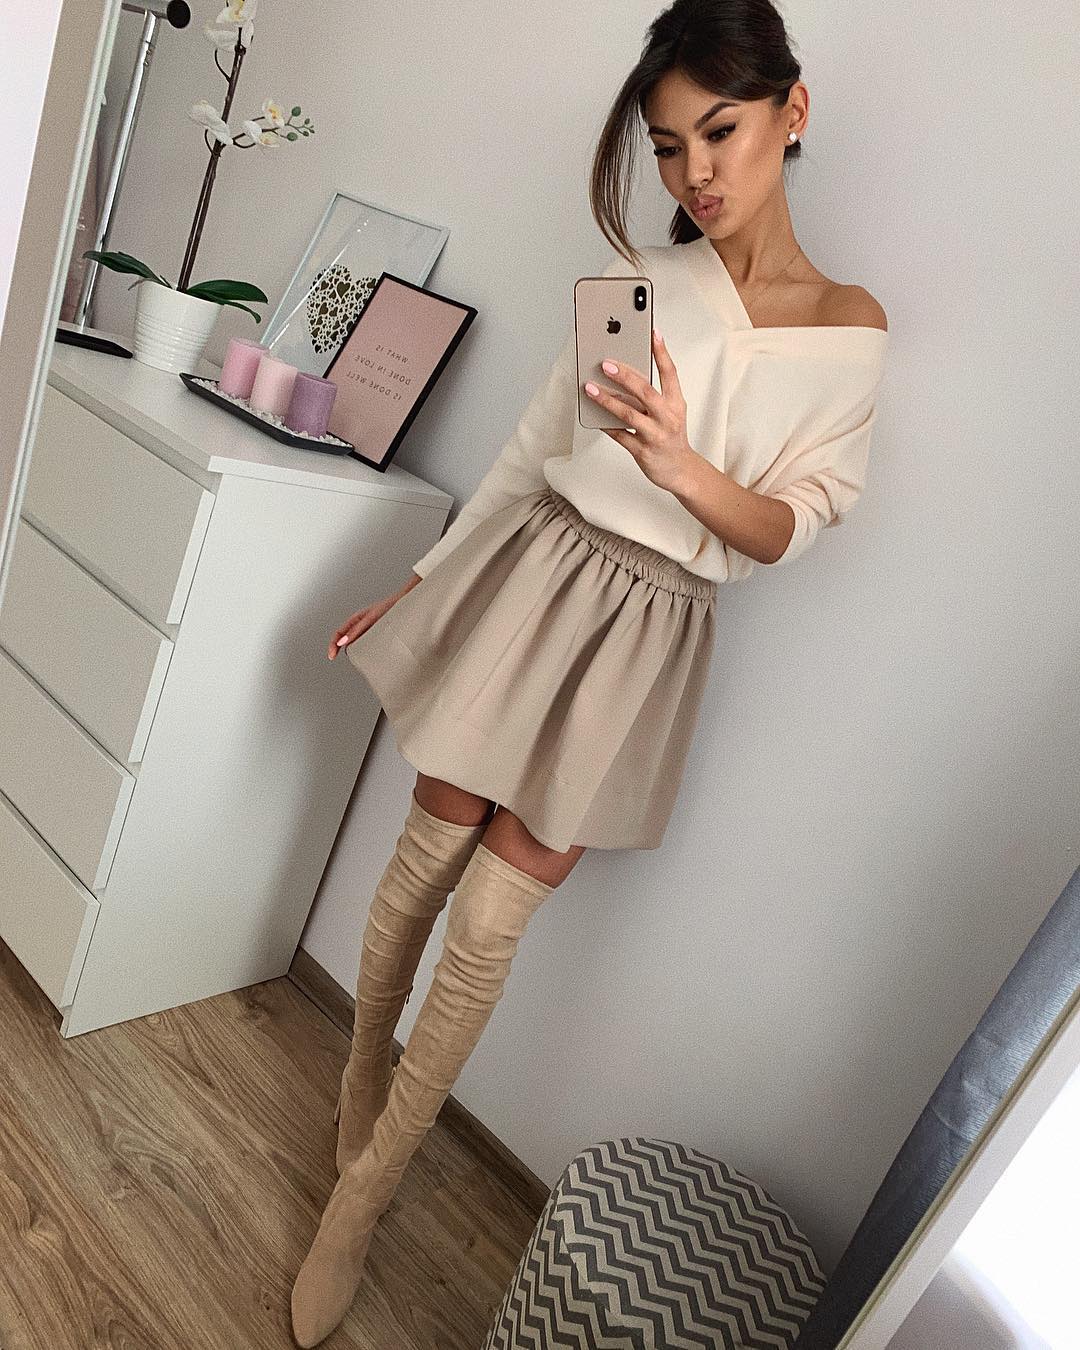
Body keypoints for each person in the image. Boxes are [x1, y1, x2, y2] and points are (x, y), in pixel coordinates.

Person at [290, 0, 890, 1341]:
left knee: (486, 930)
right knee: (416, 874)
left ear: (793, 111)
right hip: (534, 579)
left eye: (719, 132)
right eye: (670, 147)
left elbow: (789, 527)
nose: (696, 173)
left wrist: (680, 462)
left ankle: (364, 1194)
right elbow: (525, 461)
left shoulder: (851, 330)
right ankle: (359, 1089)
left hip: (649, 631)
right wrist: (417, 583)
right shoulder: (635, 282)